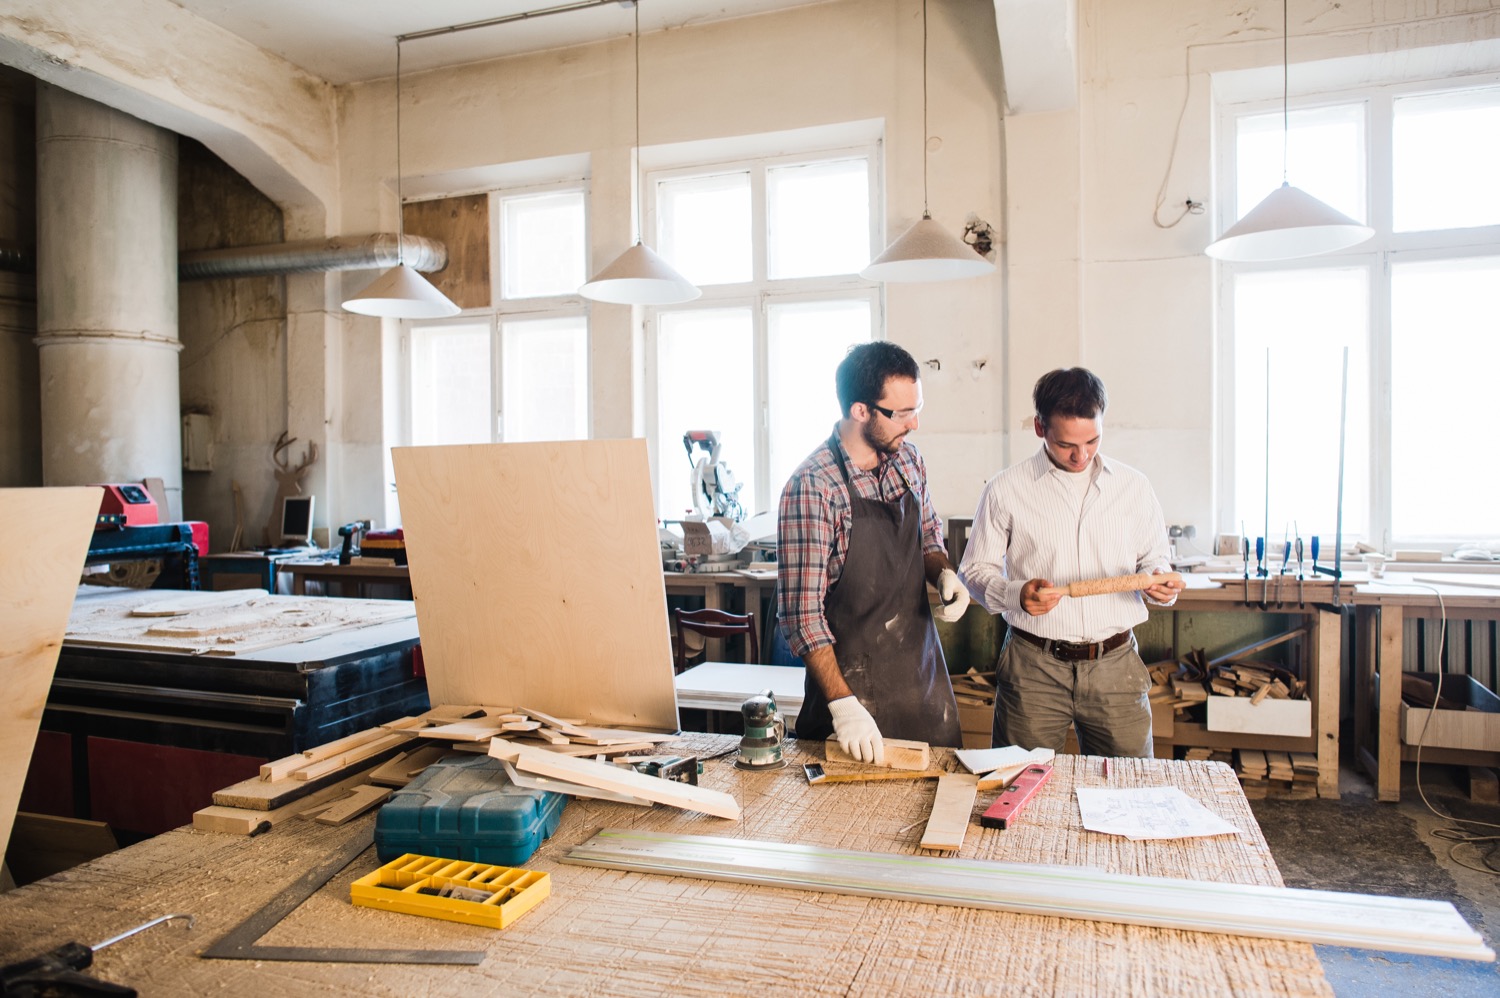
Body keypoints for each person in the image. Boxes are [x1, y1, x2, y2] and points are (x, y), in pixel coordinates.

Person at [958, 367, 1182, 757]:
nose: (1081, 455)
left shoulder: (1133, 487)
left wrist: (1161, 585)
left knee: (1132, 790)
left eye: (1092, 440)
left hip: (1115, 665)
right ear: (1040, 428)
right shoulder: (1005, 489)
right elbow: (974, 572)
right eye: (1066, 445)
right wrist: (1015, 595)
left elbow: (1155, 559)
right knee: (1016, 788)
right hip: (1033, 667)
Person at [777, 341, 968, 764]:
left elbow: (929, 538)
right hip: (850, 704)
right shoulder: (813, 487)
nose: (914, 424)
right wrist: (843, 706)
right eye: (901, 413)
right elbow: (800, 615)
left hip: (924, 688)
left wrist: (943, 573)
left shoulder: (909, 461)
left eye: (918, 408)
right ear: (860, 410)